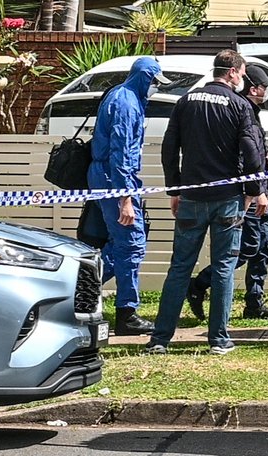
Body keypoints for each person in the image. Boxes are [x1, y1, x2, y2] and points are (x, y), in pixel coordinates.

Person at [147, 50, 268, 355]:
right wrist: (254, 190)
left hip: (191, 196)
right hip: (227, 199)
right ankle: (218, 339)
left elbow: (168, 148)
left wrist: (175, 189)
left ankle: (160, 339)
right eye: (242, 74)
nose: (242, 79)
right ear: (232, 73)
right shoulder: (241, 106)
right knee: (224, 267)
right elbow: (253, 154)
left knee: (179, 267)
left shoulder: (185, 101)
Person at [186, 65, 268, 321]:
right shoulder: (240, 108)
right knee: (246, 248)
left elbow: (255, 147)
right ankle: (198, 285)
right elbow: (241, 156)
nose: (267, 92)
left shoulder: (252, 111)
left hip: (260, 189)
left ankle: (254, 301)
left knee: (263, 246)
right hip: (248, 193)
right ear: (254, 88)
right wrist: (254, 193)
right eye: (265, 87)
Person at [88, 57, 171, 336]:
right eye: (155, 82)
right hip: (115, 179)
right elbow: (121, 153)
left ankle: (84, 287)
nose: (156, 89)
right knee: (131, 243)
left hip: (113, 178)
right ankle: (123, 311)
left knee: (124, 244)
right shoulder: (126, 103)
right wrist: (125, 197)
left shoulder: (123, 96)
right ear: (144, 78)